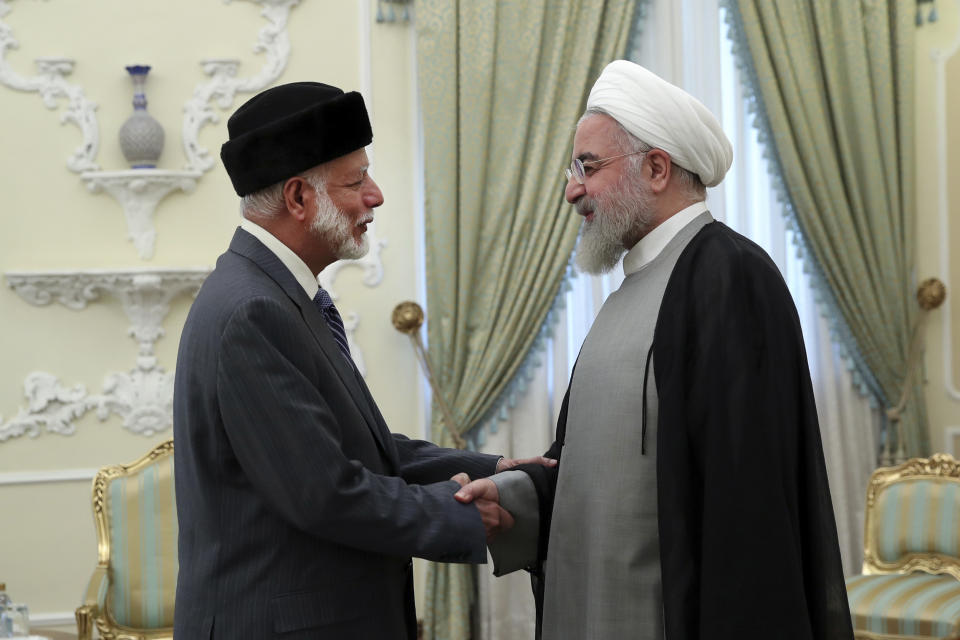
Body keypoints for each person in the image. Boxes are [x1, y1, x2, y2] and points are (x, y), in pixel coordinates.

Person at [454, 61, 854, 640]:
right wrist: (515, 494)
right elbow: (599, 464)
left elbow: (748, 514)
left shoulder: (728, 276)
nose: (572, 190)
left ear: (657, 168)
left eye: (587, 167)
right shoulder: (633, 288)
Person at [172, 81, 548, 639]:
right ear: (299, 198)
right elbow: (325, 493)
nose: (375, 196)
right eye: (356, 181)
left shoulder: (279, 295)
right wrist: (469, 510)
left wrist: (493, 471)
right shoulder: (254, 312)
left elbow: (360, 450)